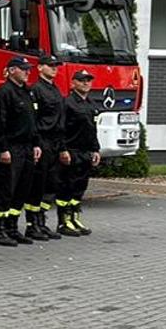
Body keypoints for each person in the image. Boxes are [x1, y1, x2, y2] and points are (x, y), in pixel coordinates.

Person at [0, 56, 41, 247]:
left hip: (27, 147)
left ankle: (12, 227)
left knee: (22, 190)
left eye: (29, 69)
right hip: (11, 148)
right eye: (23, 69)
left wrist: (36, 144)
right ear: (11, 70)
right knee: (5, 190)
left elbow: (32, 121)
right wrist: (2, 148)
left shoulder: (27, 93)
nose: (28, 72)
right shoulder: (4, 93)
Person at [57, 69, 104, 236]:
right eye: (82, 80)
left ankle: (75, 217)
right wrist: (63, 150)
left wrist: (96, 150)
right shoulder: (67, 103)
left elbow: (93, 129)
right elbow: (60, 128)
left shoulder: (91, 103)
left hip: (86, 152)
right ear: (73, 83)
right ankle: (64, 221)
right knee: (67, 187)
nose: (86, 83)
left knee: (80, 187)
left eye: (88, 80)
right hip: (72, 150)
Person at [26, 55, 67, 241]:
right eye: (50, 66)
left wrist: (62, 145)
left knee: (51, 184)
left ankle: (41, 221)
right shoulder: (36, 90)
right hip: (43, 140)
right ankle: (32, 224)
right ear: (40, 68)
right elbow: (34, 120)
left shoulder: (55, 90)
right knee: (37, 184)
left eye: (55, 66)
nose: (54, 69)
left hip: (55, 142)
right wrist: (36, 143)